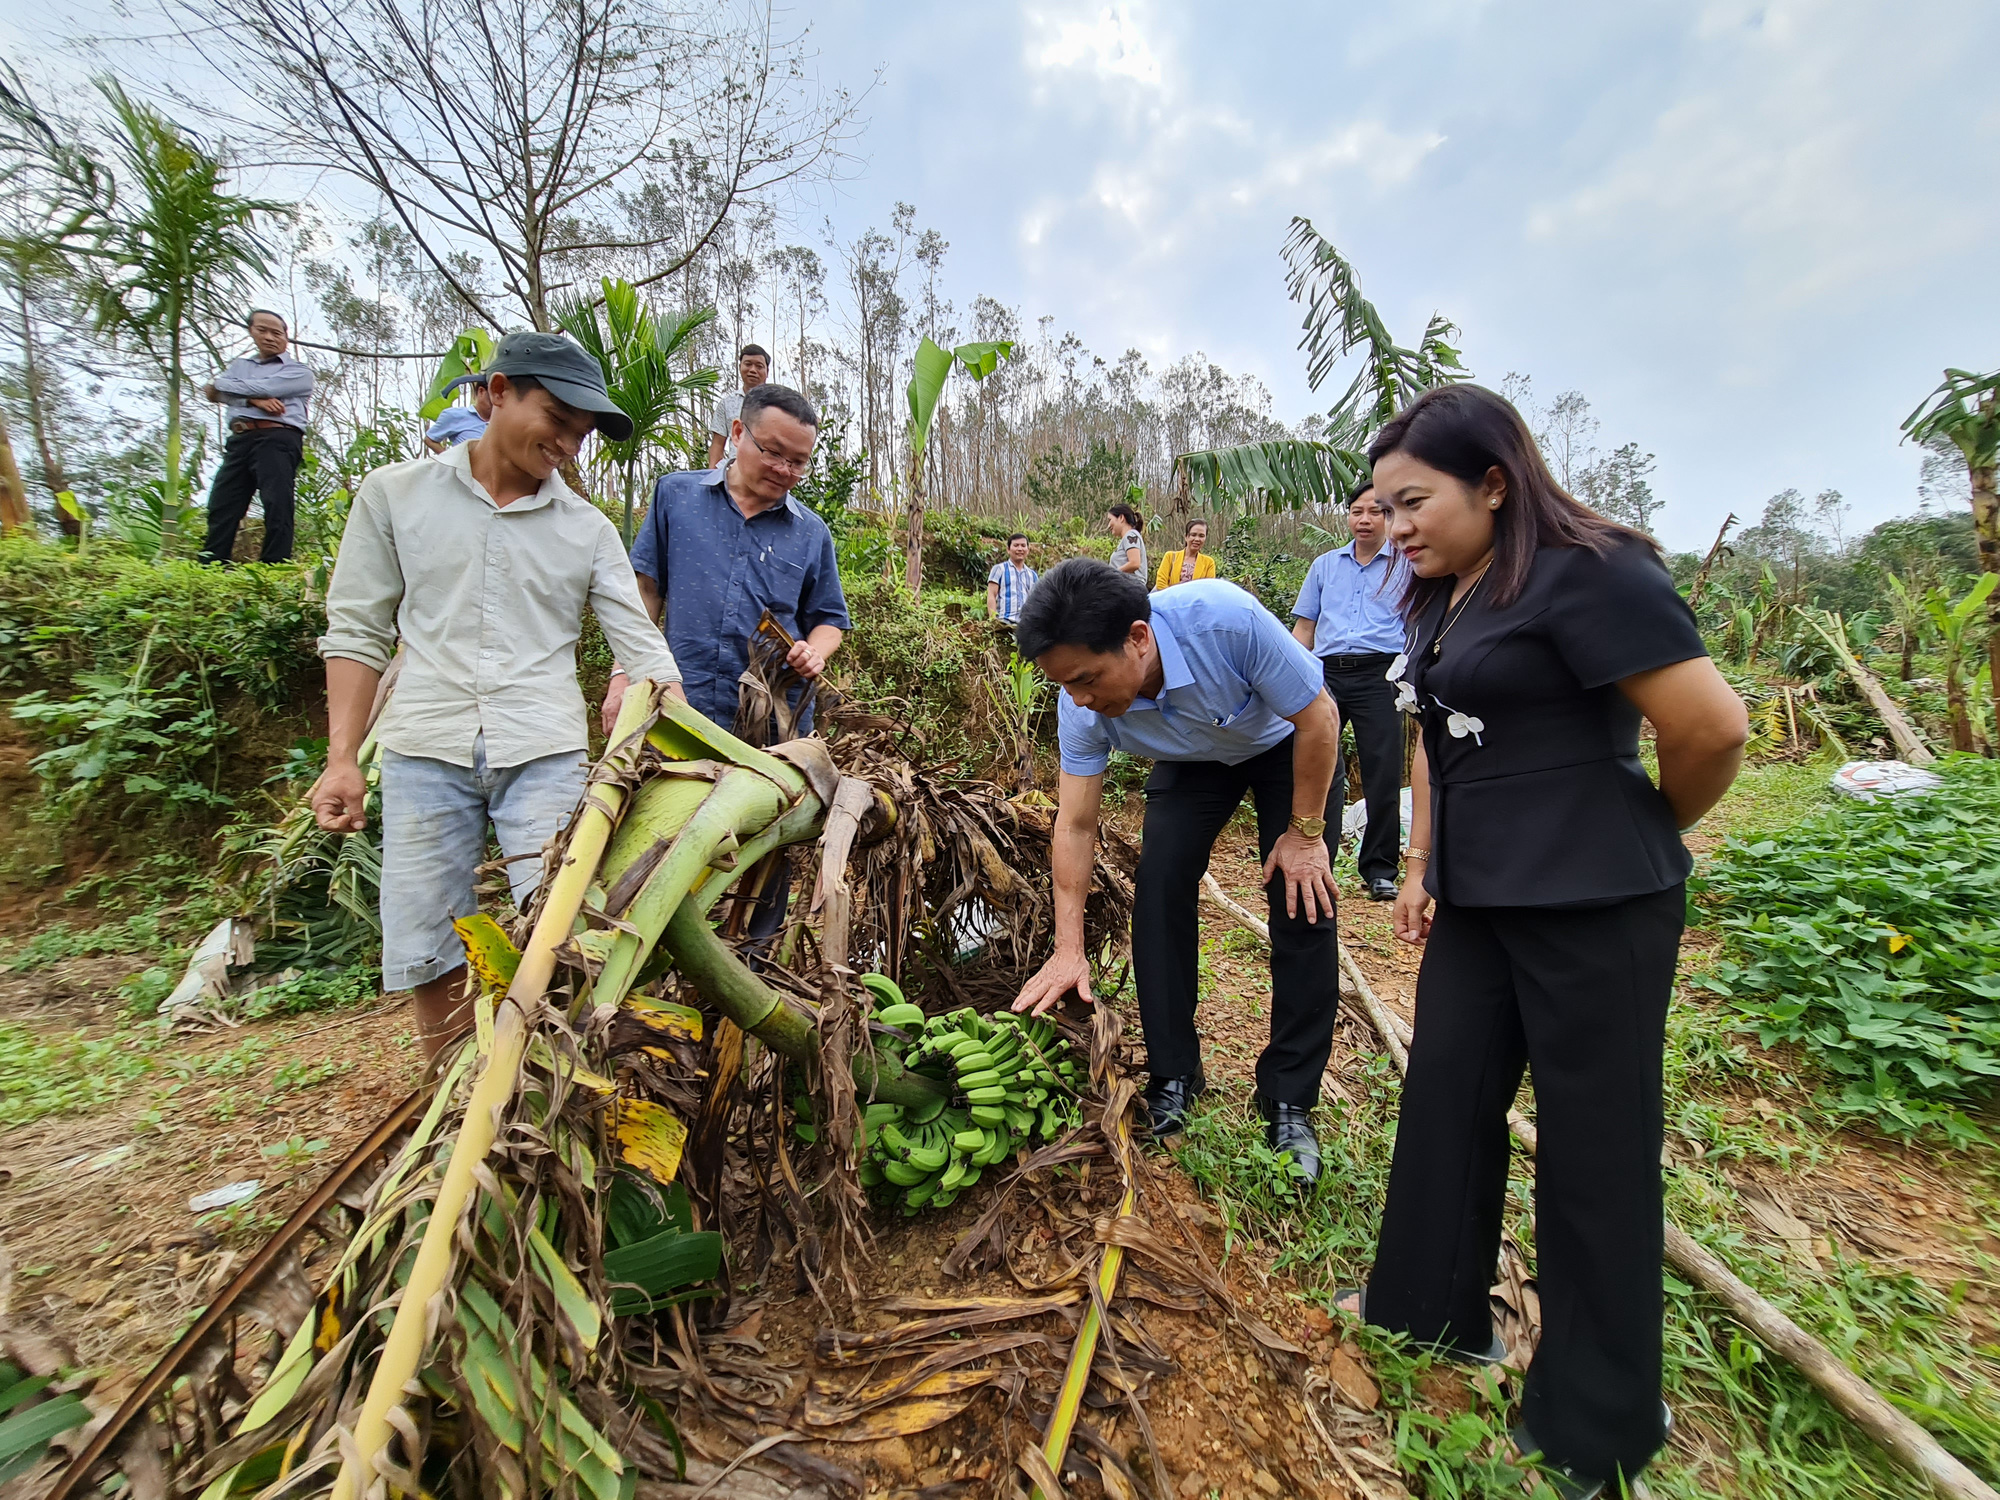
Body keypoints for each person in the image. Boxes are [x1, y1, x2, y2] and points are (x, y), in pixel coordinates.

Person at [1337, 385, 1747, 1498]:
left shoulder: (1591, 570)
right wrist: (1421, 866)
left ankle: (1598, 1421)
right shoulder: (1441, 595)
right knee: (1445, 1097)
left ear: (1493, 482)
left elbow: (1709, 727)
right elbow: (1432, 734)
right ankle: (1426, 1315)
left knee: (1592, 1148)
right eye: (1383, 503)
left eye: (1412, 500)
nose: (1395, 523)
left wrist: (1639, 830)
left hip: (1592, 903)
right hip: (1478, 895)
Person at [311, 331, 683, 1062]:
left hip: (543, 752)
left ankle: (542, 1091)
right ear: (498, 392)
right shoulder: (396, 495)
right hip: (423, 746)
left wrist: (687, 738)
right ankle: (451, 1098)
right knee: (430, 937)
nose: (569, 446)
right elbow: (355, 630)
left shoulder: (587, 530)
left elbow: (641, 646)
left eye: (581, 436)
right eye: (558, 420)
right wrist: (342, 758)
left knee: (561, 933)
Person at [1009, 559, 1342, 1184]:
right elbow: (1076, 826)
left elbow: (1318, 717)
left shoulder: (1225, 620)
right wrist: (1067, 947)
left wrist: (1304, 835)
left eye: (1086, 679)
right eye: (1065, 685)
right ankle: (1173, 1074)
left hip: (1284, 742)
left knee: (1303, 900)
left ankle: (1290, 1099)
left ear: (1138, 638)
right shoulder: (1078, 703)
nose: (1079, 699)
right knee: (1158, 889)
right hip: (1192, 760)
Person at [607, 383, 850, 935]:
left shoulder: (811, 533)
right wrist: (624, 674)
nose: (785, 469)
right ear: (737, 433)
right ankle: (652, 952)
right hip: (680, 707)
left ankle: (751, 966)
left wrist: (816, 649)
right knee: (658, 835)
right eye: (772, 451)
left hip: (772, 722)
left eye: (799, 461)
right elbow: (643, 596)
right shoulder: (675, 497)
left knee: (766, 851)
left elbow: (831, 617)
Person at [1290, 483, 1411, 901]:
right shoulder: (1325, 566)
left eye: (1375, 512)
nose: (1364, 519)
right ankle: (1316, 855)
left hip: (1382, 675)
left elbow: (1418, 625)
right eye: (1356, 511)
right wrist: (1288, 674)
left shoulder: (1405, 564)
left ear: (1389, 517)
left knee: (1382, 770)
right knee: (1321, 765)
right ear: (1347, 516)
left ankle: (1380, 870)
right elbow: (1305, 628)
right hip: (1326, 674)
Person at [199, 309, 314, 564]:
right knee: (223, 502)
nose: (270, 337)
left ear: (286, 337)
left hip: (277, 437)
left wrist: (230, 388)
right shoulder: (241, 366)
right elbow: (209, 391)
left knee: (276, 503)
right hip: (240, 437)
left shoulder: (299, 372)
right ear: (251, 331)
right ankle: (212, 565)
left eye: (277, 332)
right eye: (262, 330)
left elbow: (259, 387)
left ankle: (274, 566)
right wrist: (254, 399)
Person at [706, 344, 772, 468]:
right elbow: (718, 444)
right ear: (740, 367)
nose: (753, 370)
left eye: (759, 366)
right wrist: (712, 475)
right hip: (734, 472)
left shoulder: (778, 404)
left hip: (767, 472)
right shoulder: (726, 404)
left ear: (767, 372)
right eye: (748, 364)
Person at [424, 375, 492, 452]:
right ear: (481, 392)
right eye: (494, 394)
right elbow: (430, 440)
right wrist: (451, 460)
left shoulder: (502, 422)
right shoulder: (455, 415)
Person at [986, 533, 1039, 625]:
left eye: (1023, 546)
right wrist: (993, 620)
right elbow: (991, 595)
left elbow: (1036, 601)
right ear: (1008, 549)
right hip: (1003, 621)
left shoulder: (1032, 575)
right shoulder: (999, 569)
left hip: (1025, 625)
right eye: (1016, 545)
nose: (1020, 549)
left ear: (1028, 550)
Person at [1152, 518, 1217, 590]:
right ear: (1186, 537)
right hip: (1170, 600)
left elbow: (1208, 589)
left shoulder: (1209, 563)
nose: (1197, 539)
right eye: (1193, 535)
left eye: (1201, 536)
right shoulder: (1170, 557)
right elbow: (1161, 583)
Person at [1106, 502, 1146, 578]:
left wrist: (1112, 574)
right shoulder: (1127, 538)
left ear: (1121, 518)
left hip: (1130, 586)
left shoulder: (1131, 535)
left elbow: (1134, 563)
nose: (1108, 526)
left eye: (1110, 520)